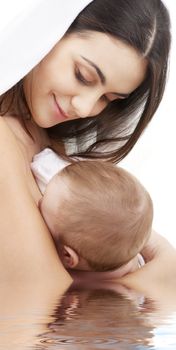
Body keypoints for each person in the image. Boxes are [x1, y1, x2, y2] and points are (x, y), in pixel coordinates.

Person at [0, 0, 175, 288]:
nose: (85, 107)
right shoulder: (5, 142)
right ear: (48, 33)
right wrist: (164, 263)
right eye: (83, 76)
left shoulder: (46, 139)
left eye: (108, 99)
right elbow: (42, 303)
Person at [31, 148, 153, 272]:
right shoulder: (121, 251)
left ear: (67, 256)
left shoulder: (87, 285)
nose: (39, 201)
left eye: (44, 195)